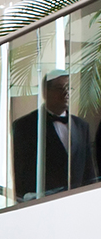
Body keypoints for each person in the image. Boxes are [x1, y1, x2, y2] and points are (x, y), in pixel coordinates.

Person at [11, 69, 97, 200]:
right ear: (45, 92)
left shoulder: (81, 126)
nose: (66, 92)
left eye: (68, 88)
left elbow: (89, 172)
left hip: (78, 203)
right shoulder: (25, 125)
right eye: (59, 88)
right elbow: (20, 171)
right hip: (43, 205)